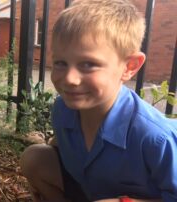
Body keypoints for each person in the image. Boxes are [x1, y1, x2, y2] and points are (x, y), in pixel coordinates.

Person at [20, 0, 177, 201]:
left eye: (88, 64)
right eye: (61, 63)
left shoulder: (154, 137)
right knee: (35, 158)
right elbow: (65, 145)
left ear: (129, 66)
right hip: (90, 189)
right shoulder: (63, 109)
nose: (69, 78)